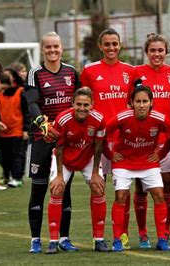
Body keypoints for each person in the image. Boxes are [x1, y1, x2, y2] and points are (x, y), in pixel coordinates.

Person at [80, 28, 137, 249]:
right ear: (100, 46)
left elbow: (135, 102)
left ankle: (121, 234)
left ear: (120, 45)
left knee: (123, 189)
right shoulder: (89, 70)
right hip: (98, 139)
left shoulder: (130, 71)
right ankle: (99, 237)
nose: (111, 48)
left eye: (115, 44)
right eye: (107, 44)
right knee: (98, 187)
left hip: (123, 138)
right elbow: (83, 103)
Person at [25, 32, 80, 253]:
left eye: (56, 46)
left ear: (62, 48)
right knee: (38, 189)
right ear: (43, 49)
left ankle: (64, 238)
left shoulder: (71, 72)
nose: (52, 50)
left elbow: (79, 103)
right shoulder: (34, 73)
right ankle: (35, 239)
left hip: (65, 141)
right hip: (42, 139)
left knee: (63, 189)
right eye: (48, 47)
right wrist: (43, 125)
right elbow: (31, 102)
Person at [106, 82, 170, 252]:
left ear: (151, 102)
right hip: (124, 161)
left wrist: (161, 153)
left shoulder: (159, 118)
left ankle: (162, 239)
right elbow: (102, 132)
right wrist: (110, 154)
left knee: (159, 195)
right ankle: (116, 240)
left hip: (148, 162)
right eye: (138, 101)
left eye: (145, 101)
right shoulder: (123, 117)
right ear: (131, 103)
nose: (142, 105)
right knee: (121, 196)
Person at [45, 87, 108, 254]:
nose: (82, 108)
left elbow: (98, 145)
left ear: (92, 105)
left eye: (86, 105)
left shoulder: (99, 120)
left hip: (88, 158)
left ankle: (99, 240)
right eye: (78, 104)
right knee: (57, 189)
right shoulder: (63, 119)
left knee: (98, 187)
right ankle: (53, 241)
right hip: (64, 159)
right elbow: (58, 148)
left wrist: (95, 173)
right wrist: (59, 176)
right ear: (72, 103)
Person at [133, 33, 170, 247]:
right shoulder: (137, 73)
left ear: (166, 52)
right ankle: (143, 234)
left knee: (167, 185)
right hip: (143, 139)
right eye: (153, 50)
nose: (157, 54)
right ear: (147, 52)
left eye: (160, 50)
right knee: (142, 186)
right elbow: (130, 103)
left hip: (167, 138)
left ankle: (165, 231)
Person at [0, 68, 29, 187]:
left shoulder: (21, 91)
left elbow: (27, 112)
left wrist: (26, 129)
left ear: (13, 78)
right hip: (3, 130)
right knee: (5, 156)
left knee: (17, 155)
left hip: (17, 130)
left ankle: (17, 178)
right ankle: (7, 177)